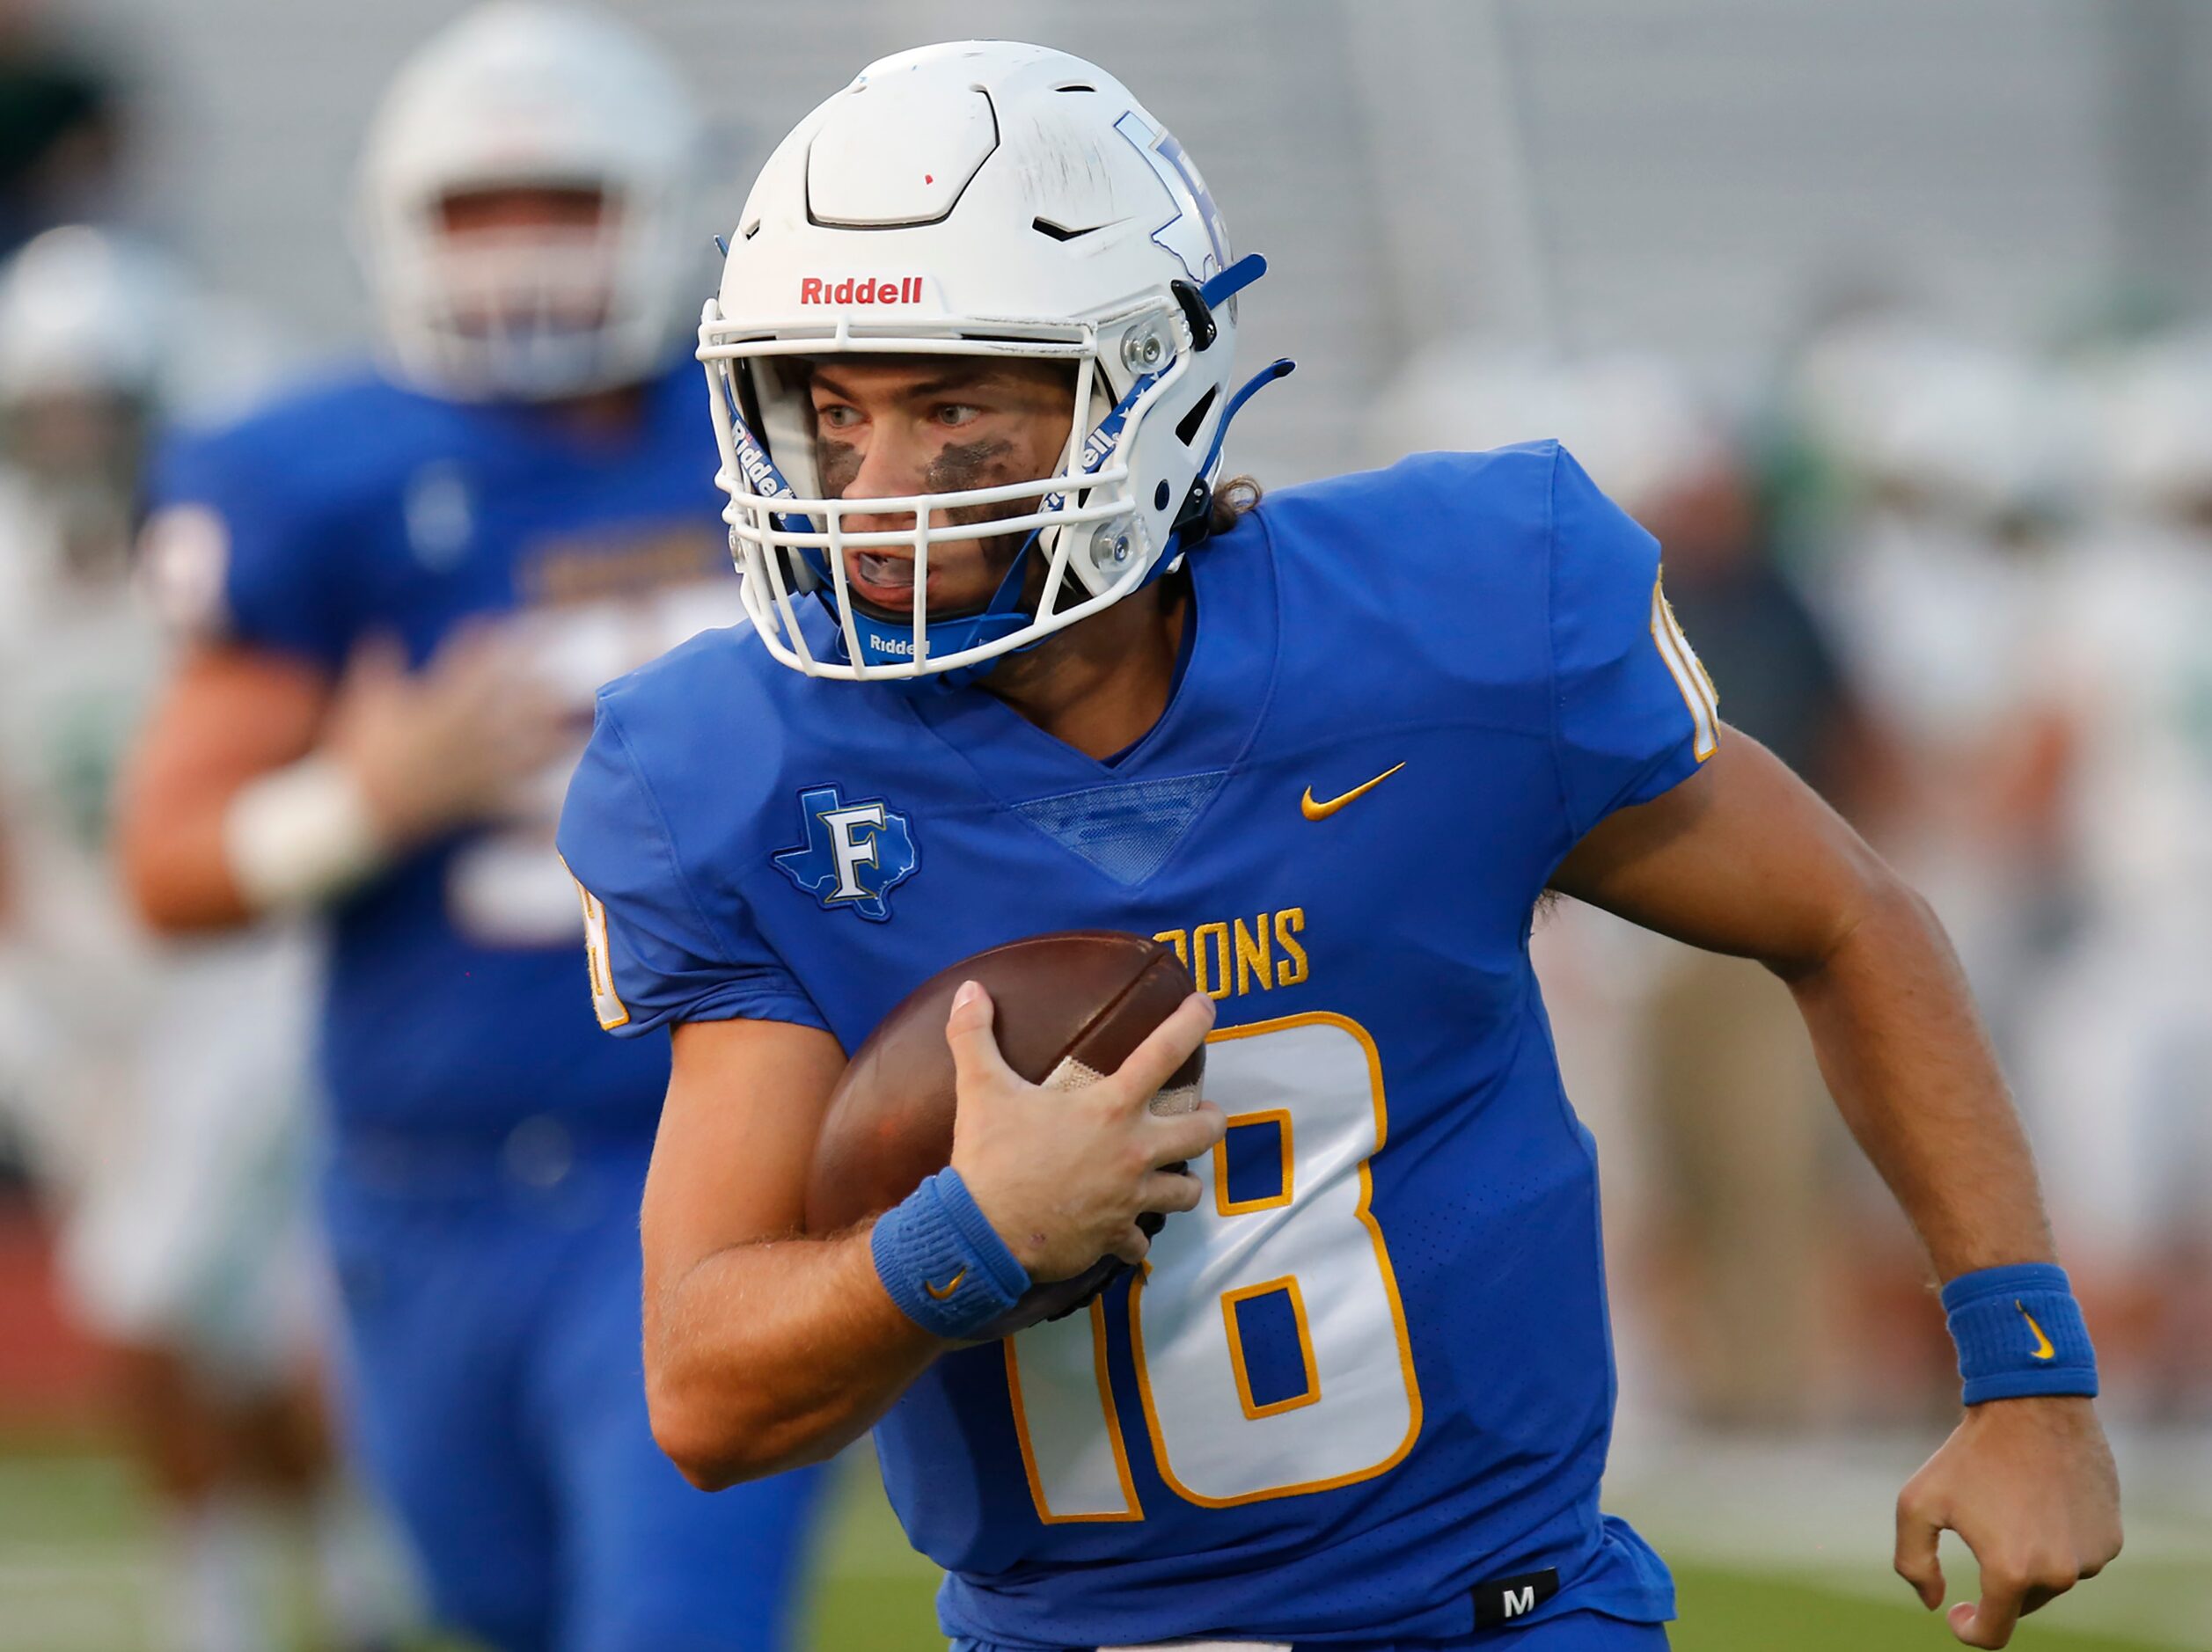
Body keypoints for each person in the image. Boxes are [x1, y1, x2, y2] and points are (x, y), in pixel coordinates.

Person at [559, 40, 2120, 1652]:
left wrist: (2029, 1377)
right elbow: (704, 1388)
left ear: (1140, 384)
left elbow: (1847, 917)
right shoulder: (741, 769)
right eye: (831, 411)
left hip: (1500, 1622)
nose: (871, 491)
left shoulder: (1446, 631)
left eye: (950, 406)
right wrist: (971, 1238)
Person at [116, 6, 825, 1648]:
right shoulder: (317, 474)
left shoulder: (790, 429)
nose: (521, 251)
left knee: (668, 1623)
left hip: (709, 1144)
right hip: (420, 1186)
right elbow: (167, 865)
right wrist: (365, 801)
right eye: (474, 211)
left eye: (562, 202)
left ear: (659, 204)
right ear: (395, 228)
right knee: (491, 1606)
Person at [0, 224, 399, 1652]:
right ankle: (335, 1571)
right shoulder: (10, 578)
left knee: (150, 1288)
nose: (72, 441)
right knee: (222, 1328)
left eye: (97, 410)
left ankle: (215, 1604)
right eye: (47, 412)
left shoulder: (230, 565)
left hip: (233, 978)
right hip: (76, 994)